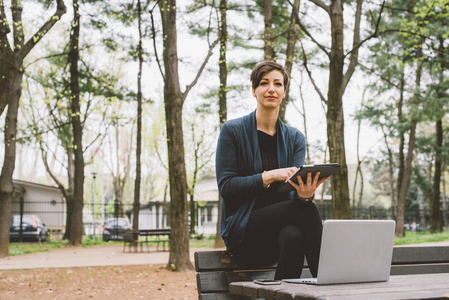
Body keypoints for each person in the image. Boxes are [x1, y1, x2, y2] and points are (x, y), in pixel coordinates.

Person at [215, 61, 328, 280]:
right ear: (254, 90)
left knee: (294, 235)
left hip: (277, 236)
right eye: (264, 83)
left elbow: (294, 194)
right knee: (307, 211)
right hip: (243, 231)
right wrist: (268, 176)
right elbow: (226, 187)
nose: (271, 89)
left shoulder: (295, 138)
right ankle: (327, 284)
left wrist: (305, 195)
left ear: (284, 92)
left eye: (278, 84)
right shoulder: (232, 131)